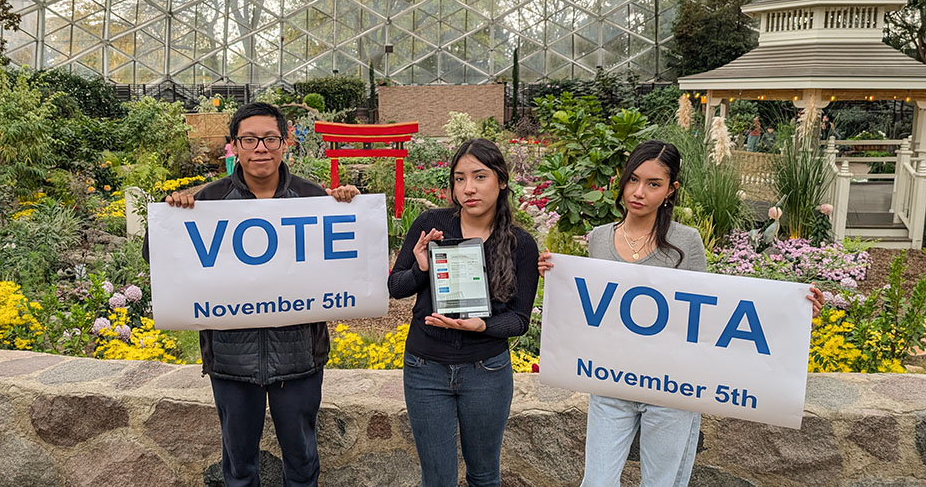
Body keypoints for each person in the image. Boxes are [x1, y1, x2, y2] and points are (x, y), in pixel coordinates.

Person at [537, 139, 824, 487]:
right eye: (633, 179)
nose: (639, 192)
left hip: (671, 390)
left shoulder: (686, 242)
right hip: (611, 384)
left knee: (662, 483)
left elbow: (707, 313)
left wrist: (794, 307)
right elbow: (590, 306)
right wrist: (557, 276)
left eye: (653, 184)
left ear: (671, 190)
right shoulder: (599, 238)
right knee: (596, 482)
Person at [144, 102, 360, 487]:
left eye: (270, 138)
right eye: (249, 139)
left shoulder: (315, 198)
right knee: (239, 469)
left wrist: (347, 206)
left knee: (304, 463)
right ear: (234, 146)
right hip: (231, 361)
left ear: (285, 143)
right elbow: (157, 256)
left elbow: (351, 255)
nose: (261, 147)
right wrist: (171, 214)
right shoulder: (207, 201)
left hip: (299, 360)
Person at [388, 138, 539, 487]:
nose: (468, 188)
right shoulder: (432, 224)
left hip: (487, 370)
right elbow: (396, 287)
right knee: (437, 478)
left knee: (484, 475)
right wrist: (420, 268)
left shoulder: (521, 243)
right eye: (459, 178)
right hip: (425, 368)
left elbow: (519, 320)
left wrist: (480, 326)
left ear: (501, 181)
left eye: (479, 177)